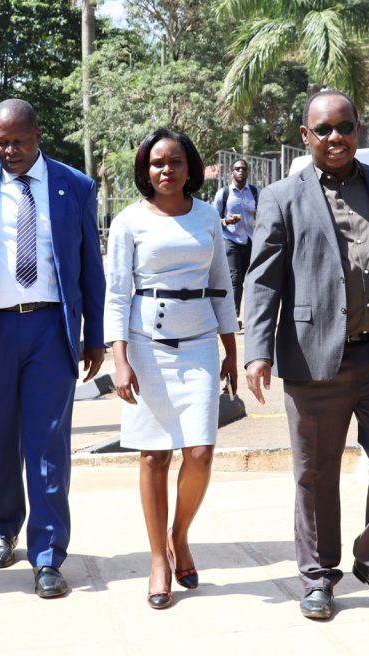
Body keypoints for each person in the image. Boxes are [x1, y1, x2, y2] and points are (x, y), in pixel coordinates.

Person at [242, 90, 369, 621]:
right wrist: (257, 351)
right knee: (315, 474)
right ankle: (318, 577)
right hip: (312, 357)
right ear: (306, 136)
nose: (335, 137)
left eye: (344, 126)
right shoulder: (281, 197)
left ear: (359, 129)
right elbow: (261, 280)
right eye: (323, 129)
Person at [0, 99, 105, 598]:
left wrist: (93, 333)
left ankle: (48, 554)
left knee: (49, 443)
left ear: (38, 134)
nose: (9, 150)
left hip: (51, 329)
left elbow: (88, 264)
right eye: (1, 141)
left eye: (19, 141)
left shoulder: (74, 185)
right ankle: (2, 527)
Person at [104, 128, 239, 609]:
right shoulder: (128, 222)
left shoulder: (207, 217)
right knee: (153, 456)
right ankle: (158, 559)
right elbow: (117, 293)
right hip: (145, 346)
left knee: (200, 451)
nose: (166, 170)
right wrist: (118, 359)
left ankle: (179, 536)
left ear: (191, 167)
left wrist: (231, 351)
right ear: (145, 168)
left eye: (175, 161)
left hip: (199, 342)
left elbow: (222, 284)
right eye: (157, 163)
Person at [212, 158, 257, 321]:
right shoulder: (223, 194)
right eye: (237, 169)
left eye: (244, 169)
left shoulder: (255, 192)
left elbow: (263, 214)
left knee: (251, 279)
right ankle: (234, 317)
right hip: (230, 241)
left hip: (250, 241)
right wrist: (226, 221)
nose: (241, 171)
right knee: (235, 279)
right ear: (232, 172)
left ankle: (252, 317)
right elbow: (213, 219)